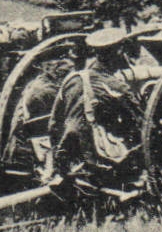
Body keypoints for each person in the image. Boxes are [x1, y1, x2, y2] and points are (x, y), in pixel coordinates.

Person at [49, 27, 146, 197]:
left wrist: (58, 157)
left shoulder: (73, 79)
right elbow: (141, 123)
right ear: (118, 53)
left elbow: (54, 122)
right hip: (96, 151)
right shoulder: (115, 86)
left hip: (69, 147)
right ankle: (136, 183)